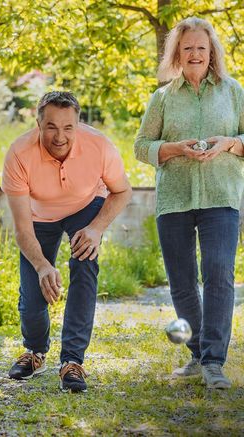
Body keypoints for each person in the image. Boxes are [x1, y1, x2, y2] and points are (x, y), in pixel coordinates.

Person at [135, 17, 244, 390]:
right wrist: (172, 149)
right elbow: (141, 147)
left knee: (218, 274)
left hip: (221, 197)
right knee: (182, 282)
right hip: (175, 199)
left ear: (211, 51)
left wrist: (228, 143)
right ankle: (197, 354)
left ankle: (214, 361)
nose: (195, 54)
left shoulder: (233, 92)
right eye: (187, 48)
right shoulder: (162, 97)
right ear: (177, 54)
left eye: (201, 47)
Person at [2, 91, 132, 393]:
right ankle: (35, 352)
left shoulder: (99, 146)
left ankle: (72, 361)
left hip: (85, 207)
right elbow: (22, 229)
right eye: (51, 127)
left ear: (78, 124)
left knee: (85, 265)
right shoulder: (19, 153)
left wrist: (97, 228)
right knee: (33, 287)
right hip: (39, 215)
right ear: (38, 124)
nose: (60, 136)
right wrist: (43, 266)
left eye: (68, 127)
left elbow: (122, 191)